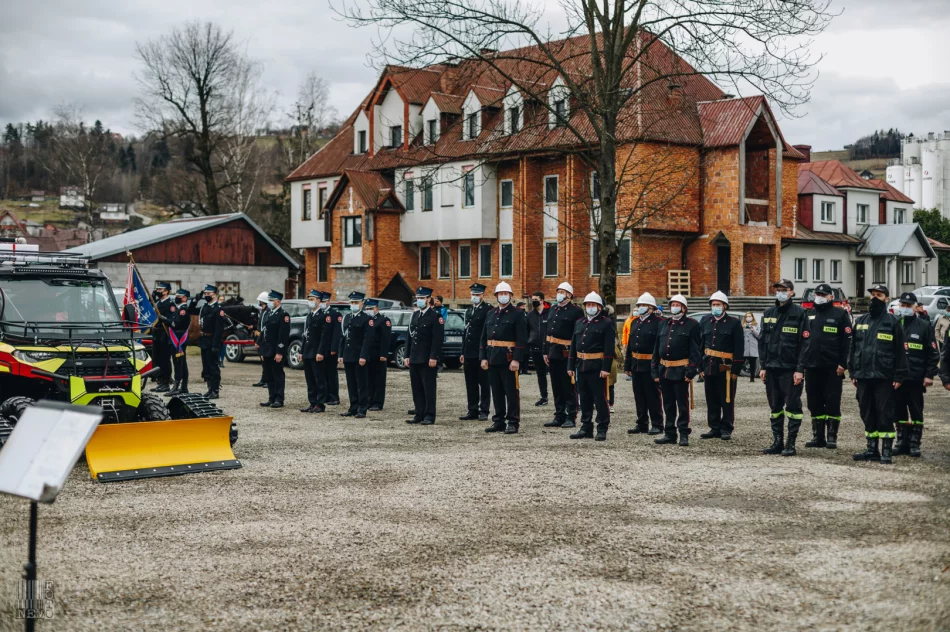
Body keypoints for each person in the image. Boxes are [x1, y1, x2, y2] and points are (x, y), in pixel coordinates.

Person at [849, 284, 907, 464]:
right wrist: (853, 371)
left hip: (884, 376)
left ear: (887, 298)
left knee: (885, 412)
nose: (874, 298)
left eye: (879, 295)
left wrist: (899, 375)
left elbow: (900, 352)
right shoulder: (861, 321)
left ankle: (887, 450)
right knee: (867, 412)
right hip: (864, 376)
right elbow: (853, 348)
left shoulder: (893, 322)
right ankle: (871, 449)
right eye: (872, 295)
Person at [758, 279, 807, 456]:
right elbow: (762, 341)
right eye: (778, 289)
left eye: (784, 289)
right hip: (771, 368)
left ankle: (790, 443)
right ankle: (777, 442)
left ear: (792, 292)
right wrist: (762, 366)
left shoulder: (800, 313)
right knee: (775, 407)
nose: (781, 292)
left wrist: (800, 369)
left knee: (793, 407)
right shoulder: (769, 312)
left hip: (790, 369)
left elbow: (804, 344)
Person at [799, 283, 851, 450]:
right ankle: (818, 437)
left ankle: (831, 437)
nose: (819, 297)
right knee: (814, 402)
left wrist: (844, 364)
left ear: (830, 297)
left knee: (832, 402)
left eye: (823, 294)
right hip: (812, 366)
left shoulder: (840, 314)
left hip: (832, 368)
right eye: (817, 294)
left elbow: (848, 341)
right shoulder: (809, 314)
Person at [651, 294, 700, 446]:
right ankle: (669, 433)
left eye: (677, 304)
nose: (674, 307)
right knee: (668, 404)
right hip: (664, 369)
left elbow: (695, 350)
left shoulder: (692, 325)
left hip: (681, 370)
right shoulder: (664, 324)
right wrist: (654, 370)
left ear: (684, 308)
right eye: (672, 304)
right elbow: (656, 348)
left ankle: (683, 433)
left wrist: (691, 371)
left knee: (682, 404)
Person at [893, 292, 937, 458]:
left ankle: (914, 443)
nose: (904, 308)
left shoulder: (924, 326)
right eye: (902, 305)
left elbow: (933, 353)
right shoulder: (894, 324)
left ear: (915, 307)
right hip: (897, 379)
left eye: (908, 306)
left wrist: (929, 375)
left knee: (916, 411)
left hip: (916, 377)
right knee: (898, 410)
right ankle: (901, 441)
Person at [481, 281, 528, 434]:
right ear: (496, 296)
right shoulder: (490, 313)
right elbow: (483, 338)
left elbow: (522, 339)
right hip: (492, 358)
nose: (502, 296)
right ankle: (498, 421)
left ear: (510, 296)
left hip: (508, 359)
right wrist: (483, 357)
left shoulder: (518, 314)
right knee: (497, 392)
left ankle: (513, 421)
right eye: (500, 294)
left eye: (505, 294)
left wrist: (516, 359)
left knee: (511, 392)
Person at [567, 292, 615, 441]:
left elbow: (609, 347)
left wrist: (606, 368)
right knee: (585, 399)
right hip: (581, 365)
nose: (590, 307)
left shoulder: (606, 323)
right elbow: (574, 345)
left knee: (599, 399)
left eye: (593, 305)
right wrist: (570, 365)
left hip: (597, 366)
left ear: (599, 307)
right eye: (588, 305)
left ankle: (602, 428)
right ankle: (586, 427)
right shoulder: (580, 322)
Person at [699, 291, 744, 441]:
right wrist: (700, 367)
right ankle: (714, 427)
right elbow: (700, 345)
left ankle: (726, 428)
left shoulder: (734, 322)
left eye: (718, 304)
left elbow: (739, 347)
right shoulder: (705, 321)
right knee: (711, 399)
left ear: (725, 306)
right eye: (713, 304)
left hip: (726, 367)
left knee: (727, 399)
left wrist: (736, 369)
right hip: (709, 365)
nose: (715, 307)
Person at [543, 282, 583, 428]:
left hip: (566, 353)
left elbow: (577, 334)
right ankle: (559, 415)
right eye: (558, 290)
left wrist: (574, 355)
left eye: (562, 291)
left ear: (569, 295)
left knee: (568, 386)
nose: (559, 293)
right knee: (556, 386)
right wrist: (545, 351)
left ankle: (571, 416)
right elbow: (547, 332)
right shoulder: (553, 309)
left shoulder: (576, 311)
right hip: (552, 353)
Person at [624, 293, 664, 435]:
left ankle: (657, 424)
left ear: (651, 308)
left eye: (644, 305)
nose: (640, 308)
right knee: (639, 395)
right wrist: (627, 364)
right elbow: (630, 345)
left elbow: (660, 346)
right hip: (636, 363)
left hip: (650, 364)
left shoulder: (659, 322)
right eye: (639, 305)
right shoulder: (635, 322)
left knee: (652, 395)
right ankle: (642, 424)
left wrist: (658, 366)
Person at [405, 288, 444, 425]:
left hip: (427, 358)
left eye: (422, 298)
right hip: (414, 357)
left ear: (428, 299)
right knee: (416, 388)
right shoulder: (415, 315)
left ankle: (429, 415)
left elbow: (437, 339)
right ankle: (419, 413)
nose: (420, 300)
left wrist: (433, 357)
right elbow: (409, 336)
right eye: (418, 298)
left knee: (428, 388)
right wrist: (406, 355)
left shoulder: (435, 316)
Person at [459, 283, 492, 421]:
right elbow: (466, 333)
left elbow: (487, 333)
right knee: (470, 383)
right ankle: (472, 409)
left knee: (484, 383)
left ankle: (484, 410)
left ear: (483, 295)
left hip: (481, 352)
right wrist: (462, 351)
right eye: (473, 295)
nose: (475, 297)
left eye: (477, 295)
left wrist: (485, 354)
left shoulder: (488, 310)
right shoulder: (468, 311)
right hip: (469, 352)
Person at [340, 291, 374, 418]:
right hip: (349, 355)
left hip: (359, 356)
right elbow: (344, 337)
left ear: (362, 303)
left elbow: (367, 339)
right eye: (352, 302)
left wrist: (363, 356)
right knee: (351, 383)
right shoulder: (348, 317)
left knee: (362, 383)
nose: (353, 304)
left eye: (356, 302)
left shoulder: (367, 319)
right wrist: (341, 354)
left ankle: (362, 408)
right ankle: (353, 407)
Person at [258, 290, 290, 409]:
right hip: (267, 350)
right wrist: (261, 350)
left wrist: (279, 352)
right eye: (269, 300)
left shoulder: (283, 315)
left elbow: (283, 336)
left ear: (278, 301)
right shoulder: (268, 313)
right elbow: (263, 332)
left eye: (272, 300)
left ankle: (279, 398)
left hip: (276, 350)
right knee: (269, 375)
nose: (270, 302)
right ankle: (271, 397)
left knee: (278, 375)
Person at [300, 289, 328, 413]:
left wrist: (320, 352)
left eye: (312, 299)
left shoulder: (323, 316)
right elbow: (305, 335)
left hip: (317, 352)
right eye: (309, 299)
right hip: (307, 352)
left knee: (319, 379)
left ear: (318, 300)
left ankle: (320, 404)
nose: (310, 302)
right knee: (310, 379)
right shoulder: (309, 316)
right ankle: (312, 402)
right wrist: (301, 351)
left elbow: (324, 336)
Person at [197, 284, 225, 399]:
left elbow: (219, 329)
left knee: (213, 366)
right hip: (204, 340)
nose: (206, 295)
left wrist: (216, 344)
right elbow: (191, 310)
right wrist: (195, 299)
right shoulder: (205, 307)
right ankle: (209, 388)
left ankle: (215, 390)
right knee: (206, 366)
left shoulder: (218, 309)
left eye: (208, 294)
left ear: (214, 294)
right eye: (205, 294)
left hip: (212, 340)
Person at [366, 299, 392, 411]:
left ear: (377, 308)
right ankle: (369, 400)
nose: (368, 311)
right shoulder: (366, 320)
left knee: (379, 379)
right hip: (368, 354)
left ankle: (378, 402)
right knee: (368, 379)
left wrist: (383, 354)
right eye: (367, 309)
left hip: (378, 354)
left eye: (371, 309)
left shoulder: (383, 320)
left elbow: (386, 339)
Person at [166, 288, 192, 396]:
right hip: (175, 339)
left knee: (178, 363)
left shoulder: (183, 310)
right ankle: (184, 386)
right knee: (181, 363)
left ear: (185, 298)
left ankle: (177, 386)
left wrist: (166, 321)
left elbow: (176, 324)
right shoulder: (178, 309)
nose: (177, 297)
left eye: (179, 296)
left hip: (179, 340)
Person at [318, 292, 343, 406]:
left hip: (330, 349)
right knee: (322, 373)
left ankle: (334, 397)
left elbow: (337, 333)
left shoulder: (335, 314)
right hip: (321, 349)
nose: (322, 303)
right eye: (321, 301)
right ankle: (325, 395)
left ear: (328, 301)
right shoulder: (320, 314)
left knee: (331, 373)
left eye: (324, 301)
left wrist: (334, 348)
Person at [150, 282, 174, 393]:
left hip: (164, 334)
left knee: (165, 359)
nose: (159, 291)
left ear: (166, 291)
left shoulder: (170, 304)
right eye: (158, 290)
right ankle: (160, 381)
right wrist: (152, 296)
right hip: (156, 334)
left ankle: (166, 381)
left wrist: (166, 320)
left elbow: (171, 320)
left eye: (161, 290)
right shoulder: (157, 303)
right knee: (157, 359)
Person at [526, 291, 550, 406]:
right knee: (540, 373)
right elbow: (527, 330)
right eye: (532, 299)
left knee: (556, 374)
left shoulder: (550, 313)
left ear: (542, 300)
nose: (533, 301)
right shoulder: (530, 315)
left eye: (535, 299)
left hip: (549, 348)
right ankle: (544, 396)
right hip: (535, 348)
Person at [252, 291, 270, 388]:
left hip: (264, 338)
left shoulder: (267, 312)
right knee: (263, 361)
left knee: (266, 361)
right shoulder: (262, 311)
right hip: (260, 338)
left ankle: (268, 380)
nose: (259, 302)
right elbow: (260, 325)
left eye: (260, 301)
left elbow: (265, 326)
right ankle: (264, 379)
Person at [742, 312, 759, 383]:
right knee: (741, 361)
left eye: (750, 316)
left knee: (753, 363)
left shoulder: (756, 325)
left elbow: (759, 335)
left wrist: (753, 330)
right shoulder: (742, 325)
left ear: (752, 317)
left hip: (752, 347)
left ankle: (752, 377)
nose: (748, 318)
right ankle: (736, 374)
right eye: (747, 316)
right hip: (745, 347)